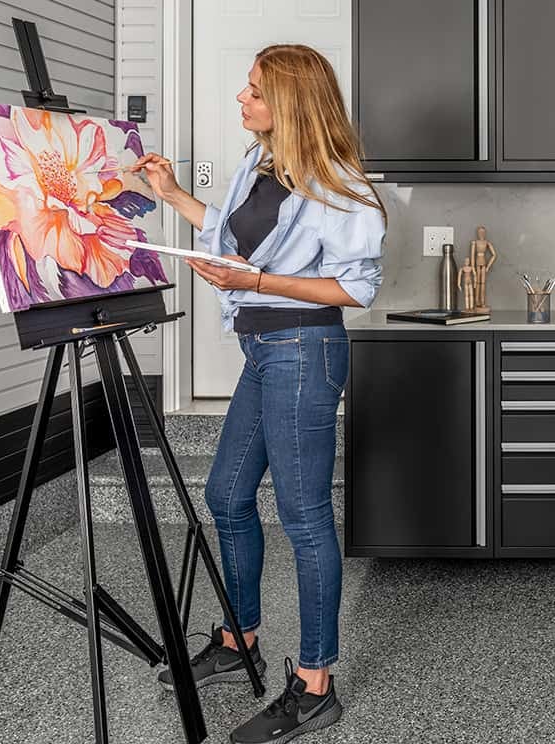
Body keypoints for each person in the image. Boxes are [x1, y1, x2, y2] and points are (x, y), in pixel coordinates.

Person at [134, 43, 386, 744]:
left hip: (306, 350)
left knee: (304, 517)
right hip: (265, 350)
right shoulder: (262, 164)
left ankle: (314, 686)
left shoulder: (341, 184)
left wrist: (257, 285)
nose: (240, 100)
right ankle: (240, 636)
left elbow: (354, 289)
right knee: (227, 494)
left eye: (252, 92)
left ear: (290, 103)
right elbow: (231, 241)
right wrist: (173, 193)